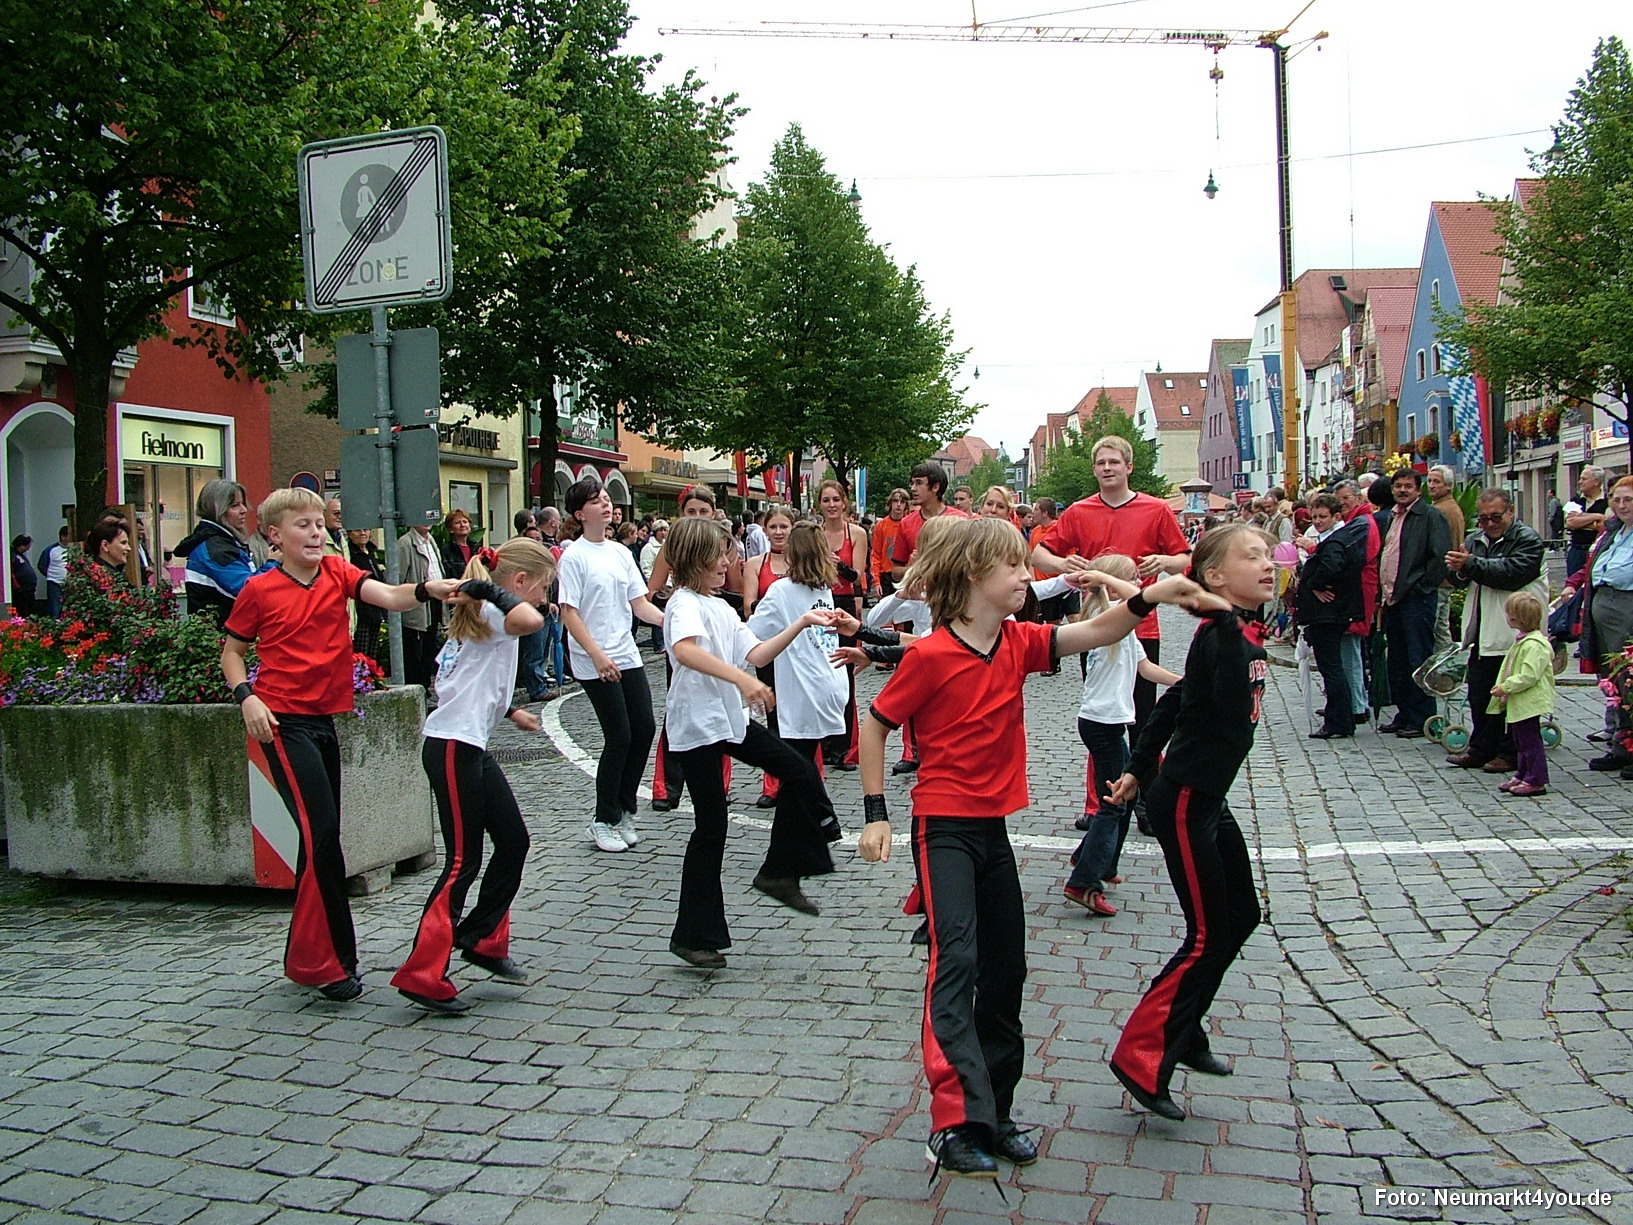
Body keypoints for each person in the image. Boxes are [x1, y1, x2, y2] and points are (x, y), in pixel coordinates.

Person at [856, 517, 1222, 1178]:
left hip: (992, 829)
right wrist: (876, 812)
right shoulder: (930, 654)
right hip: (941, 828)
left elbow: (1101, 630)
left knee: (1007, 970)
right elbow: (878, 724)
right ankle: (953, 1121)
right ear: (974, 577)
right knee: (955, 962)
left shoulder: (1021, 640)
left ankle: (993, 1111)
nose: (1028, 577)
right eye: (1014, 568)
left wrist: (1148, 596)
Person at [222, 488, 459, 1001]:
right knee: (322, 834)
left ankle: (315, 956)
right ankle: (326, 963)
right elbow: (233, 653)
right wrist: (247, 698)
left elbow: (390, 596)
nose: (316, 533)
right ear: (275, 536)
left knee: (323, 840)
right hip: (281, 724)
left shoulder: (337, 573)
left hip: (326, 721)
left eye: (318, 524)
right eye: (303, 526)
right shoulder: (259, 590)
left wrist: (428, 589)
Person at [1104, 524, 1275, 1122]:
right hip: (1184, 801)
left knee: (1243, 916)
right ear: (1216, 579)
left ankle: (1187, 1031)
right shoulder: (1221, 633)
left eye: (1267, 554)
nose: (1267, 562)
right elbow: (1186, 697)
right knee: (1206, 935)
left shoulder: (1241, 630)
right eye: (1250, 556)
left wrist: (1135, 765)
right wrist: (1142, 770)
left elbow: (1179, 700)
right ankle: (1142, 1053)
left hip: (1208, 799)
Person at [662, 517, 842, 969]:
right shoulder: (684, 603)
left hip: (729, 721)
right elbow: (686, 651)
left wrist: (801, 622)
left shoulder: (720, 607)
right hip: (697, 726)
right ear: (693, 559)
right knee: (711, 827)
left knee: (799, 772)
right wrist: (743, 681)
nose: (727, 562)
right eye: (718, 555)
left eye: (727, 553)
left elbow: (757, 652)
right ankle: (693, 936)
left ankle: (779, 872)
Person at [391, 539, 553, 1014]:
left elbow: (468, 685)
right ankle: (423, 973)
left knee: (514, 841)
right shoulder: (496, 613)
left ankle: (481, 937)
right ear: (519, 583)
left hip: (467, 746)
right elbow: (531, 620)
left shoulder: (478, 618)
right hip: (452, 749)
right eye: (542, 587)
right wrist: (489, 590)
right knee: (462, 860)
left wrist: (510, 711)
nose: (546, 599)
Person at [1031, 436, 1190, 815]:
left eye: (1114, 462)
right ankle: (1099, 803)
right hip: (1095, 627)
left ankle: (1149, 801)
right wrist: (1060, 566)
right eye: (1101, 462)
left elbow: (1184, 557)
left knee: (1144, 719)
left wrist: (1164, 563)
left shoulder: (1155, 509)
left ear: (1128, 467)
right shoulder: (1079, 511)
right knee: (1102, 717)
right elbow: (1038, 552)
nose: (1107, 468)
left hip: (1142, 626)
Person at [1061, 553, 1182, 917]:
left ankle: (1095, 859)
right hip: (1101, 722)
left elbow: (1145, 668)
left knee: (1124, 797)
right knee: (1114, 803)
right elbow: (1139, 597)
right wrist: (1103, 577)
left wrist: (1185, 683)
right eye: (1132, 576)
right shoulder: (1107, 617)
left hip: (1110, 720)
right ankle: (1084, 882)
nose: (1140, 584)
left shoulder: (1122, 626)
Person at [557, 476, 665, 852]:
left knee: (645, 729)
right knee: (619, 736)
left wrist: (674, 622)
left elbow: (639, 604)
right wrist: (598, 656)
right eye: (596, 501)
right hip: (593, 658)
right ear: (579, 513)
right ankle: (602, 819)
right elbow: (569, 613)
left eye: (606, 499)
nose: (606, 505)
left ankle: (623, 809)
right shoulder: (574, 556)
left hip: (625, 651)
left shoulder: (620, 552)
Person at [744, 522, 847, 840]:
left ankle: (825, 816)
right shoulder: (822, 589)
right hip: (831, 681)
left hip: (804, 690)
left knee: (795, 763)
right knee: (799, 760)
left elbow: (751, 634)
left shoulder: (781, 591)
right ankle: (798, 833)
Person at [645, 485, 742, 812]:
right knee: (683, 708)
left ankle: (720, 782)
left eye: (704, 511)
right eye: (691, 512)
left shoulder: (726, 548)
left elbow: (739, 591)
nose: (698, 517)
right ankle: (667, 786)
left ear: (714, 513)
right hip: (688, 634)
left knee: (721, 706)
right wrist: (668, 623)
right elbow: (651, 592)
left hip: (717, 626)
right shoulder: (673, 549)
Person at [1443, 490, 1546, 773]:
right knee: (1481, 695)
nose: (1489, 523)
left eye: (1495, 517)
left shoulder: (1527, 539)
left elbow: (1512, 573)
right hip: (1482, 630)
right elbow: (1457, 578)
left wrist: (1470, 564)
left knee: (1511, 697)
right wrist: (1458, 569)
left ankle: (1510, 752)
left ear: (1511, 512)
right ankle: (1481, 748)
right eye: (1483, 518)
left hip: (1514, 632)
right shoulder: (1475, 539)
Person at [1562, 475, 1633, 778]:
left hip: (1626, 609)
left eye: (1628, 499)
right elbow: (1593, 566)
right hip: (1601, 609)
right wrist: (1573, 584)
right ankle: (1621, 744)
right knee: (1613, 683)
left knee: (1630, 681)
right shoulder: (1612, 531)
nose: (1621, 505)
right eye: (1616, 499)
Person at [1376, 469, 1451, 739]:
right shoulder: (1394, 517)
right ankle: (1405, 713)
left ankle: (1422, 716)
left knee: (1418, 657)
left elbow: (1439, 556)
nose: (1402, 490)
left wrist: (1421, 587)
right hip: (1392, 598)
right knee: (1398, 659)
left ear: (1418, 490)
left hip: (1415, 598)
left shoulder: (1430, 516)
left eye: (1408, 486)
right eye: (1398, 486)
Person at [1295, 493, 1364, 739]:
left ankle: (1339, 721)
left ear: (1336, 516)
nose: (1317, 521)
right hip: (1333, 612)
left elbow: (1332, 567)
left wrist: (1313, 584)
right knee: (1333, 668)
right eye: (1314, 517)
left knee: (1331, 669)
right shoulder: (1339, 538)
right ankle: (1342, 718)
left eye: (1322, 517)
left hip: (1329, 613)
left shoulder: (1336, 541)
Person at [816, 480, 868, 769]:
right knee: (819, 673)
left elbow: (855, 576)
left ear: (844, 502)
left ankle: (846, 747)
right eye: (826, 500)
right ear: (820, 504)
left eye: (836, 499)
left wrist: (832, 562)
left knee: (843, 674)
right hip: (819, 604)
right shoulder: (815, 533)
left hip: (844, 605)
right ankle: (822, 744)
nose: (832, 505)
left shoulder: (856, 533)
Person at [1488, 592, 1556, 798]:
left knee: (1530, 741)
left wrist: (1506, 687)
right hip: (1520, 701)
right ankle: (1523, 773)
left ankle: (1536, 779)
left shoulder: (1534, 645)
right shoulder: (1523, 641)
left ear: (1517, 619)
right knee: (1520, 740)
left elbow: (1528, 675)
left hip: (1529, 701)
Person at [173, 479, 268, 626]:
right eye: (235, 505)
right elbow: (250, 590)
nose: (244, 510)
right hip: (219, 638)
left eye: (242, 503)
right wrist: (273, 564)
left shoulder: (224, 542)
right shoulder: (215, 549)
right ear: (218, 510)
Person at [1332, 480, 1381, 727]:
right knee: (1349, 651)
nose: (1342, 503)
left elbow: (1346, 555)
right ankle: (1353, 702)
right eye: (1339, 500)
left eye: (1346, 499)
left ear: (1358, 499)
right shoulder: (1356, 521)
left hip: (1358, 592)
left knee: (1350, 653)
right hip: (1356, 591)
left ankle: (1357, 705)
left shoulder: (1361, 522)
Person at [890, 461, 971, 584]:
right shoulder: (906, 523)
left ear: (935, 487)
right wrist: (914, 569)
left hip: (953, 594)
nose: (913, 488)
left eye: (919, 483)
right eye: (912, 483)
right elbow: (895, 572)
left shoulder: (961, 520)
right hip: (919, 596)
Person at [1426, 465, 1465, 655]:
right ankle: (1448, 671)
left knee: (1434, 629)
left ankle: (1443, 674)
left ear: (1448, 486)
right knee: (1441, 631)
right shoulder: (1445, 507)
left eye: (1436, 482)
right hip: (1446, 578)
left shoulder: (1443, 510)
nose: (1431, 486)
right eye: (1429, 481)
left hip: (1440, 579)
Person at [345, 529, 387, 661]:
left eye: (366, 530)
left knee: (371, 656)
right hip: (361, 614)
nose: (363, 533)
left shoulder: (371, 552)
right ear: (350, 534)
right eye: (358, 531)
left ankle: (371, 680)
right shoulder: (350, 554)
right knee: (360, 657)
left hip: (375, 612)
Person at [1565, 466, 1609, 579]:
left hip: (1599, 550)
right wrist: (1597, 516)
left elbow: (1605, 525)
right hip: (1577, 551)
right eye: (1580, 478)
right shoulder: (1575, 500)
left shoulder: (1608, 501)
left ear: (1596, 482)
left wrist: (1581, 518)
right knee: (1573, 583)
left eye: (1584, 479)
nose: (1580, 482)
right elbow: (1571, 523)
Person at [871, 489, 910, 598]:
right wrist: (876, 582)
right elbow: (875, 555)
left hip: (904, 573)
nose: (898, 505)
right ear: (890, 503)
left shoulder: (908, 524)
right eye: (895, 501)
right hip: (886, 574)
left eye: (902, 502)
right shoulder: (881, 526)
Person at [38, 527, 70, 617]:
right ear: (63, 537)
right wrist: (52, 575)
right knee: (55, 608)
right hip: (55, 583)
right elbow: (42, 565)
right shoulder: (50, 550)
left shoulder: (74, 549)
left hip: (70, 584)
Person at [440, 509, 477, 577]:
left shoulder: (476, 548)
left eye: (465, 522)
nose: (462, 525)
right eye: (457, 523)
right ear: (450, 529)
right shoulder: (447, 550)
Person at [9, 535, 37, 616]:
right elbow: (11, 571)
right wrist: (17, 586)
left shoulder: (20, 555)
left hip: (29, 589)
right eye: (28, 546)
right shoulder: (12, 555)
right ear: (21, 545)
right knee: (23, 611)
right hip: (21, 589)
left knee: (30, 610)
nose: (28, 548)